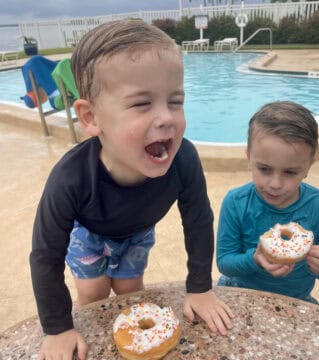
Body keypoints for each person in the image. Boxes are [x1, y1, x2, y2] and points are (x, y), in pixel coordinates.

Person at [30, 19, 233, 360]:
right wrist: (58, 328)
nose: (166, 117)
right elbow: (45, 254)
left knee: (130, 293)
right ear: (91, 117)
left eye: (175, 101)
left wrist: (200, 288)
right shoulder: (71, 178)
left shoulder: (184, 159)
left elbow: (197, 220)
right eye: (142, 104)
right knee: (93, 296)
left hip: (137, 233)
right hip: (89, 232)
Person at [216, 100, 319, 304]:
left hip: (294, 299)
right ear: (249, 159)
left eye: (290, 172)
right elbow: (224, 263)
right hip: (239, 292)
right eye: (264, 169)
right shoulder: (236, 202)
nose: (275, 184)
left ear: (308, 167)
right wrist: (254, 259)